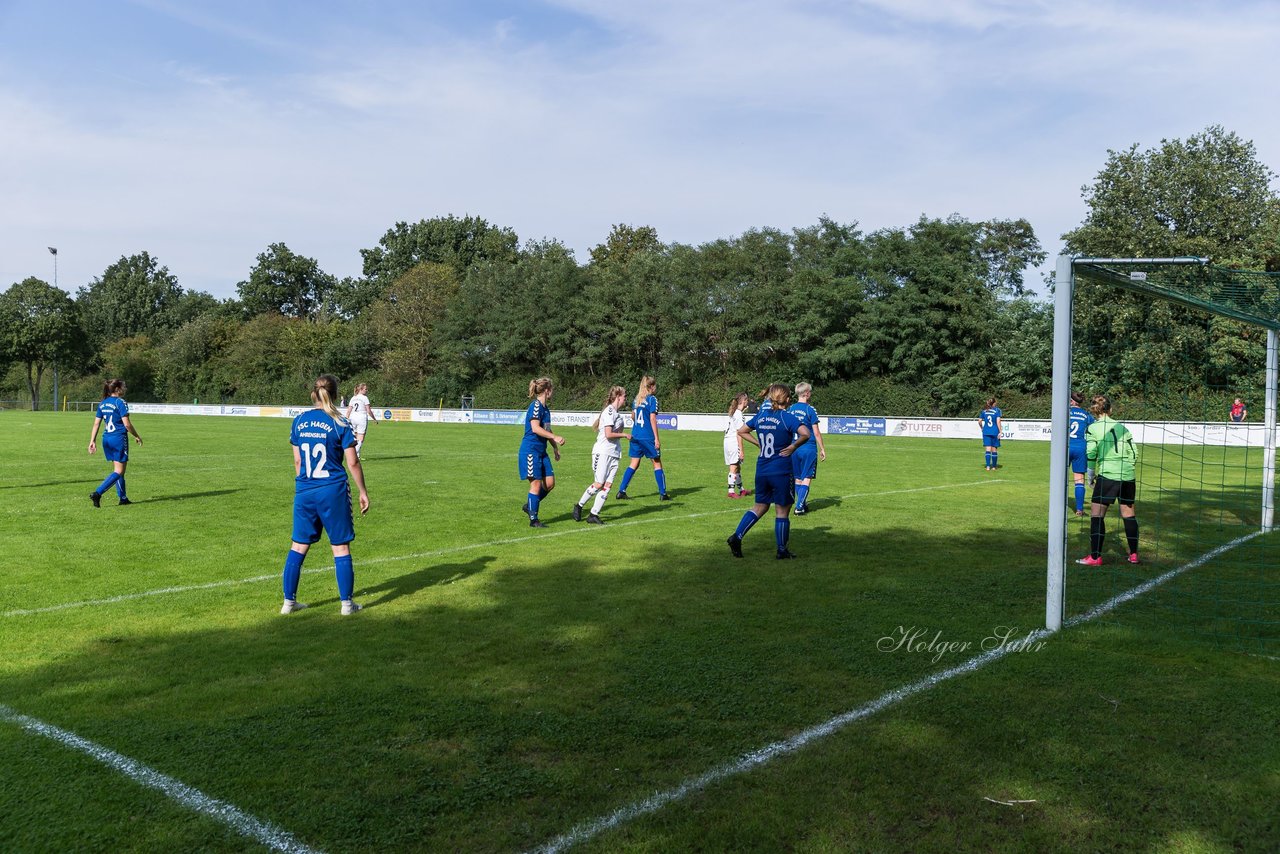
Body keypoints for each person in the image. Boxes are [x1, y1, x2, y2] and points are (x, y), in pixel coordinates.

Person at [281, 374, 370, 615]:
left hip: (305, 490)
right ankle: (346, 605)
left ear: (314, 393)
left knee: (298, 545)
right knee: (340, 547)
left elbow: (298, 461)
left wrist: (305, 484)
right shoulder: (340, 422)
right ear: (334, 393)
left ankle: (288, 603)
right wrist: (363, 491)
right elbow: (352, 463)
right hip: (333, 490)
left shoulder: (298, 421)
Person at [726, 384, 811, 559]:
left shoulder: (761, 416)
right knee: (782, 510)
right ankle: (781, 550)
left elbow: (742, 431)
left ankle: (737, 536)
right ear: (787, 399)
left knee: (760, 506)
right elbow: (806, 433)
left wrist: (758, 443)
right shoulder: (787, 417)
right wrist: (793, 446)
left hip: (762, 469)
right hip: (781, 470)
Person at [1076, 394, 1140, 566]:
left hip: (1108, 475)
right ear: (1110, 409)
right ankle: (1134, 555)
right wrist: (1128, 468)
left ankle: (1095, 557)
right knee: (1128, 515)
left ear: (1094, 410)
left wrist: (1090, 473)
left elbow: (1091, 452)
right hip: (1128, 475)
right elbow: (1134, 453)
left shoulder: (1093, 428)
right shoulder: (1122, 428)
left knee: (1097, 515)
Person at [574, 385, 629, 524]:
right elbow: (608, 434)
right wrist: (624, 434)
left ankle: (593, 514)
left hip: (614, 453)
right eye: (624, 396)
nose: (625, 399)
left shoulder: (616, 414)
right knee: (599, 484)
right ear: (618, 397)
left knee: (607, 485)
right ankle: (579, 506)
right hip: (603, 452)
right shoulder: (609, 412)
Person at [87, 378, 142, 507]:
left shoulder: (103, 403)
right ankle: (97, 493)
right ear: (117, 389)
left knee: (118, 470)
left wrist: (92, 441)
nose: (125, 389)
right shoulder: (120, 402)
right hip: (118, 438)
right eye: (123, 386)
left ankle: (123, 498)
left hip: (106, 439)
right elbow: (127, 425)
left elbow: (96, 423)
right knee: (119, 471)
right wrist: (137, 435)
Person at [615, 375, 671, 501]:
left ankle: (621, 491)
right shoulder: (652, 400)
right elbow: (652, 418)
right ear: (651, 386)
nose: (656, 387)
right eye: (655, 385)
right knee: (657, 463)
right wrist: (656, 438)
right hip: (647, 437)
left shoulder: (637, 399)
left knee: (634, 463)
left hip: (635, 435)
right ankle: (663, 494)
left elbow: (632, 417)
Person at [520, 377, 565, 528]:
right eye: (552, 389)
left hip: (541, 452)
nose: (552, 392)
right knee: (536, 484)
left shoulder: (545, 409)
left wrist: (554, 446)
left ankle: (530, 505)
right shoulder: (536, 406)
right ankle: (534, 520)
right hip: (531, 451)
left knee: (550, 484)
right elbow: (535, 428)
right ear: (547, 391)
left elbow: (546, 429)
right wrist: (555, 437)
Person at [789, 382, 827, 515]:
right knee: (807, 477)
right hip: (808, 447)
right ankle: (799, 507)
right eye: (810, 392)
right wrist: (822, 448)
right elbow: (816, 432)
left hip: (794, 447)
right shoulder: (810, 410)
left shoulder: (791, 409)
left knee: (798, 478)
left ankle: (803, 504)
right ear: (806, 393)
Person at [1067, 391, 1095, 516]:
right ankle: (1079, 509)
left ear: (1072, 401)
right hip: (1080, 448)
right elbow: (1093, 429)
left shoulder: (1065, 412)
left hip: (1065, 447)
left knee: (1061, 478)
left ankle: (1058, 506)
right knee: (1079, 479)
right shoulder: (1086, 415)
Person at [723, 392, 751, 498]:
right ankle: (731, 491)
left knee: (737, 466)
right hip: (733, 442)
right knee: (734, 466)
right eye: (746, 400)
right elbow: (740, 433)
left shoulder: (735, 412)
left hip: (727, 441)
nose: (747, 402)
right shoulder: (738, 414)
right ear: (743, 401)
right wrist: (741, 450)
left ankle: (741, 490)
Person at [345, 382, 378, 459]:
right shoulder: (364, 398)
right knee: (361, 438)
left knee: (355, 437)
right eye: (365, 389)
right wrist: (374, 419)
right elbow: (368, 410)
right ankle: (354, 454)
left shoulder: (353, 398)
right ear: (361, 389)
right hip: (361, 417)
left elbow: (349, 410)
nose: (367, 391)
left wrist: (347, 419)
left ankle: (358, 456)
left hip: (353, 417)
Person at [979, 397, 1002, 470]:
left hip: (986, 432)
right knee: (994, 449)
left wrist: (982, 428)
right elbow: (998, 422)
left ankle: (988, 466)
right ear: (994, 403)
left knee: (988, 449)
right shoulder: (997, 411)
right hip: (995, 432)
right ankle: (994, 467)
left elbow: (979, 421)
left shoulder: (984, 411)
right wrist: (1000, 431)